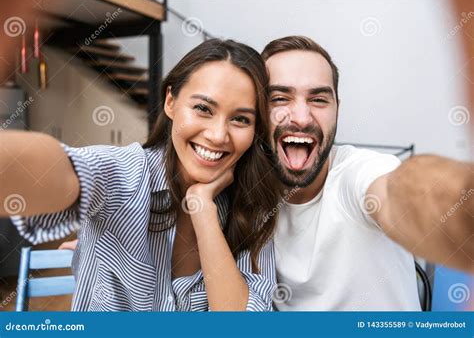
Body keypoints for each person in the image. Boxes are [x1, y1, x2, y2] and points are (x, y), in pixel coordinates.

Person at [0, 39, 280, 311]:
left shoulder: (253, 208)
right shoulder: (124, 173)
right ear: (170, 101)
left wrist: (203, 209)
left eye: (241, 119)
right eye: (203, 109)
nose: (219, 135)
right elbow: (61, 169)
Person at [262, 36, 473, 311]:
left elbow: (398, 191)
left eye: (318, 100)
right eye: (280, 98)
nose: (301, 117)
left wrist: (462, 209)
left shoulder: (356, 175)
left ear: (337, 109)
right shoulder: (248, 200)